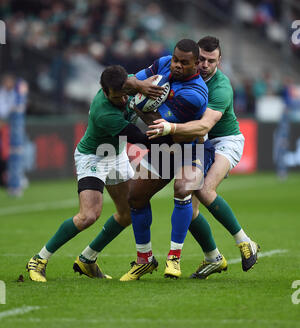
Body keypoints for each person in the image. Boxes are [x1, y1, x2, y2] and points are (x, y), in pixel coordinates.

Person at [26, 65, 170, 282]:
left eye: (124, 93)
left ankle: (87, 259)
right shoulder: (105, 113)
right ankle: (39, 259)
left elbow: (142, 78)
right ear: (105, 92)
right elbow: (140, 139)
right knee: (88, 216)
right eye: (116, 96)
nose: (123, 99)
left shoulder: (126, 83)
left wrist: (142, 85)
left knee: (127, 214)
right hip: (93, 157)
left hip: (117, 154)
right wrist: (175, 133)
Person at [147, 36, 260, 277]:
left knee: (203, 189)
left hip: (224, 141)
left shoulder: (220, 87)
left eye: (211, 60)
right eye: (202, 59)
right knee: (191, 207)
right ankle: (213, 257)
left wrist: (170, 128)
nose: (205, 64)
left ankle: (245, 241)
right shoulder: (182, 74)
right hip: (198, 140)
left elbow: (203, 126)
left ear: (220, 61)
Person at [119, 38, 223, 281]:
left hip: (188, 147)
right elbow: (130, 80)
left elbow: (158, 123)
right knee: (136, 196)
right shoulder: (165, 62)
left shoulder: (195, 94)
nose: (176, 65)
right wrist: (140, 86)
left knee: (183, 187)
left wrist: (139, 103)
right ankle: (144, 260)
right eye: (175, 59)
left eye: (183, 62)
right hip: (165, 148)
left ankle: (174, 258)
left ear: (196, 64)